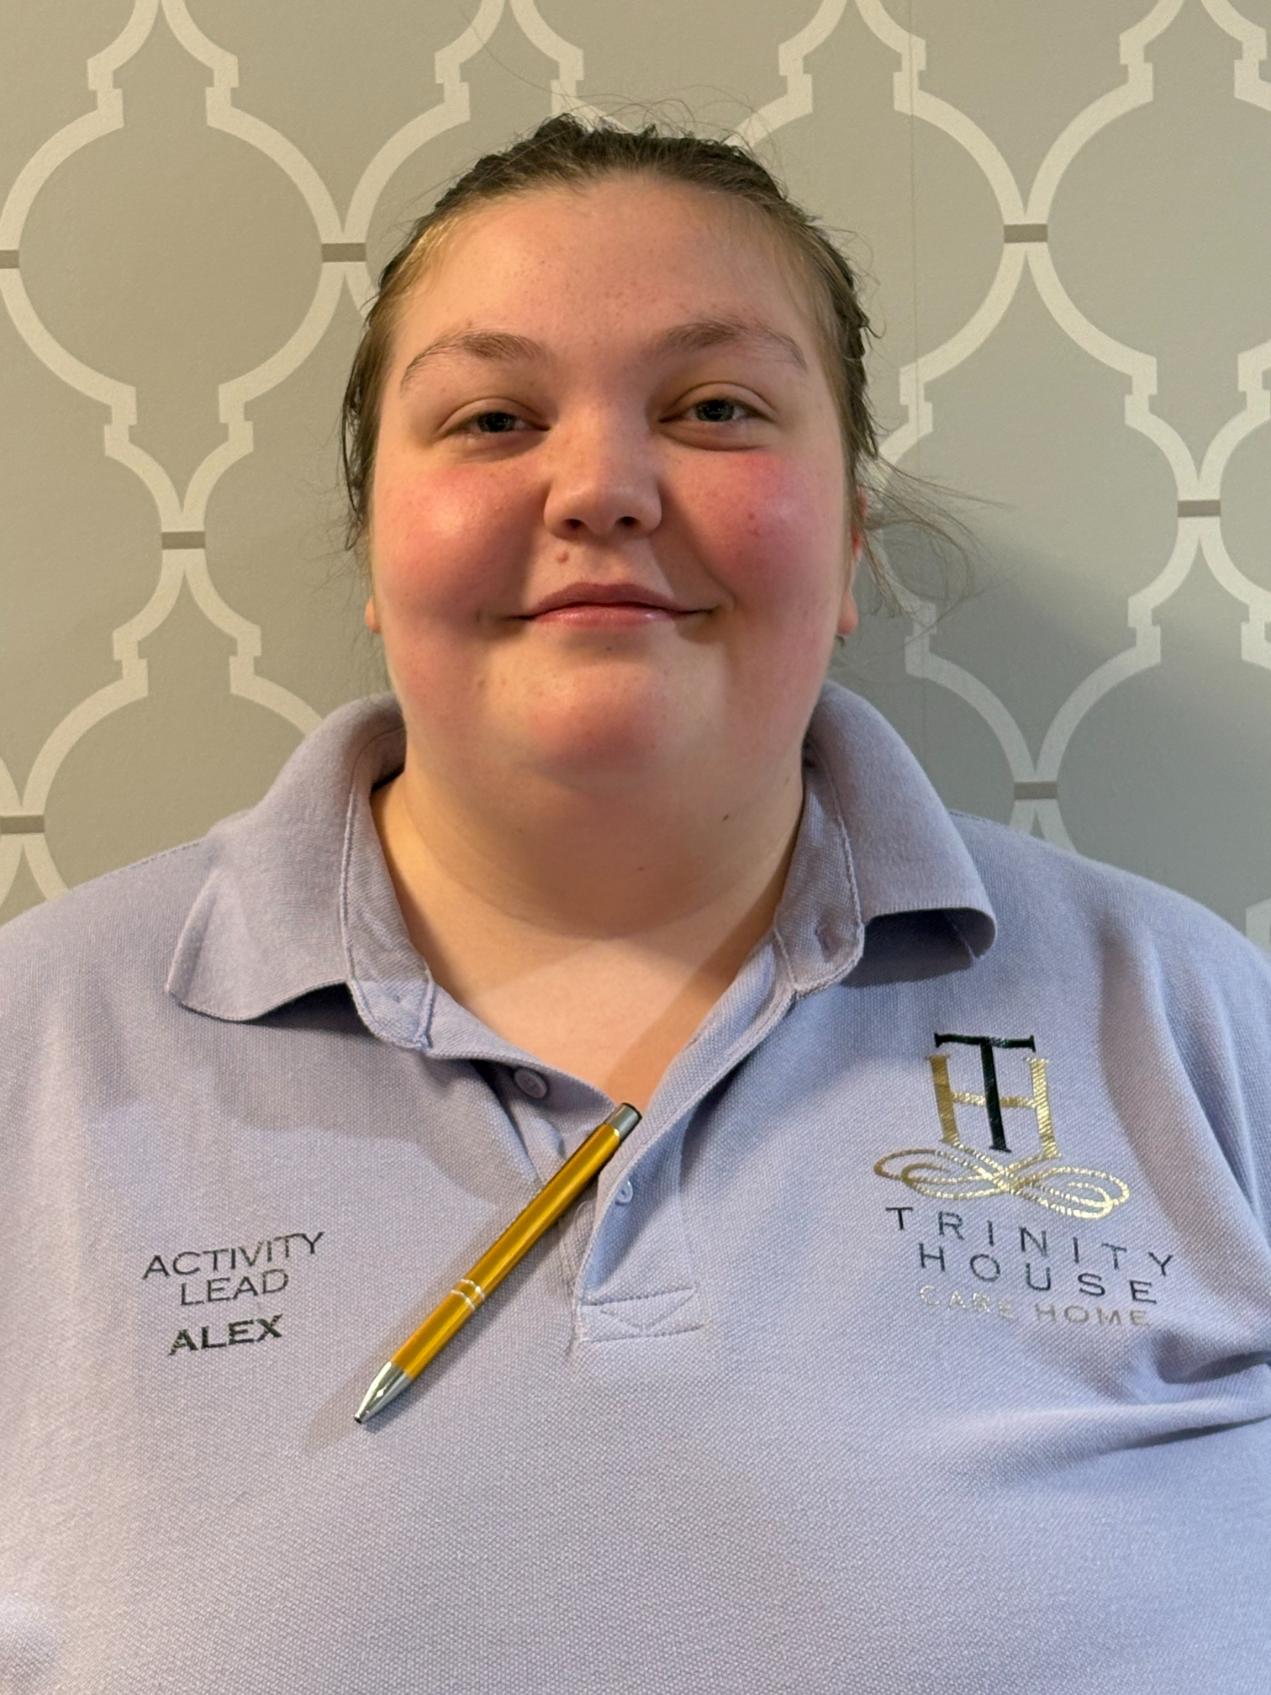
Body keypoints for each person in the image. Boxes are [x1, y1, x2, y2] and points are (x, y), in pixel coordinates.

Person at [2, 113, 1269, 1695]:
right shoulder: (34, 1054)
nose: (601, 484)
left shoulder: (1197, 1029)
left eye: (718, 406)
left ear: (854, 534)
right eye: (489, 417)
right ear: (371, 547)